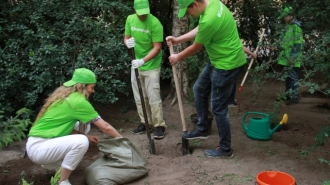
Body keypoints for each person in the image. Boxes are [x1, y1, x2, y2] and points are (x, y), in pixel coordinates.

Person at [166, 0, 246, 157]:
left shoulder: (210, 19)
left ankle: (225, 149)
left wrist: (178, 57)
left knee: (218, 108)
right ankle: (202, 127)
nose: (188, 15)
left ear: (195, 4)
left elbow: (196, 47)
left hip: (227, 64)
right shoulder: (212, 4)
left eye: (188, 11)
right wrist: (178, 39)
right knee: (199, 88)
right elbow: (200, 29)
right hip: (219, 59)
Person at [26, 68, 123, 185]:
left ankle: (53, 163)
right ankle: (62, 181)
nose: (93, 91)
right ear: (83, 87)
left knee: (83, 126)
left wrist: (87, 136)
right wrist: (123, 140)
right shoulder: (78, 102)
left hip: (38, 144)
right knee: (81, 142)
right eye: (91, 87)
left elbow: (62, 126)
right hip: (39, 149)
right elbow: (105, 127)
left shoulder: (66, 96)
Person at [124, 0, 167, 139]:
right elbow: (126, 37)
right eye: (140, 13)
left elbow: (157, 47)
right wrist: (127, 43)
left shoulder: (155, 23)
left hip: (151, 66)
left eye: (145, 13)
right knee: (139, 97)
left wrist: (142, 60)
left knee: (153, 97)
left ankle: (159, 125)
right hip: (136, 65)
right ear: (134, 9)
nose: (143, 16)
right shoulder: (130, 19)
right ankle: (145, 122)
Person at [277, 6, 303, 105]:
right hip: (286, 57)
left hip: (292, 57)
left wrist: (293, 57)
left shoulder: (296, 27)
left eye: (285, 16)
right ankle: (287, 95)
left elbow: (297, 43)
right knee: (288, 76)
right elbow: (286, 42)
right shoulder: (288, 26)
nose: (284, 19)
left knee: (293, 77)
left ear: (291, 16)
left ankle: (295, 97)